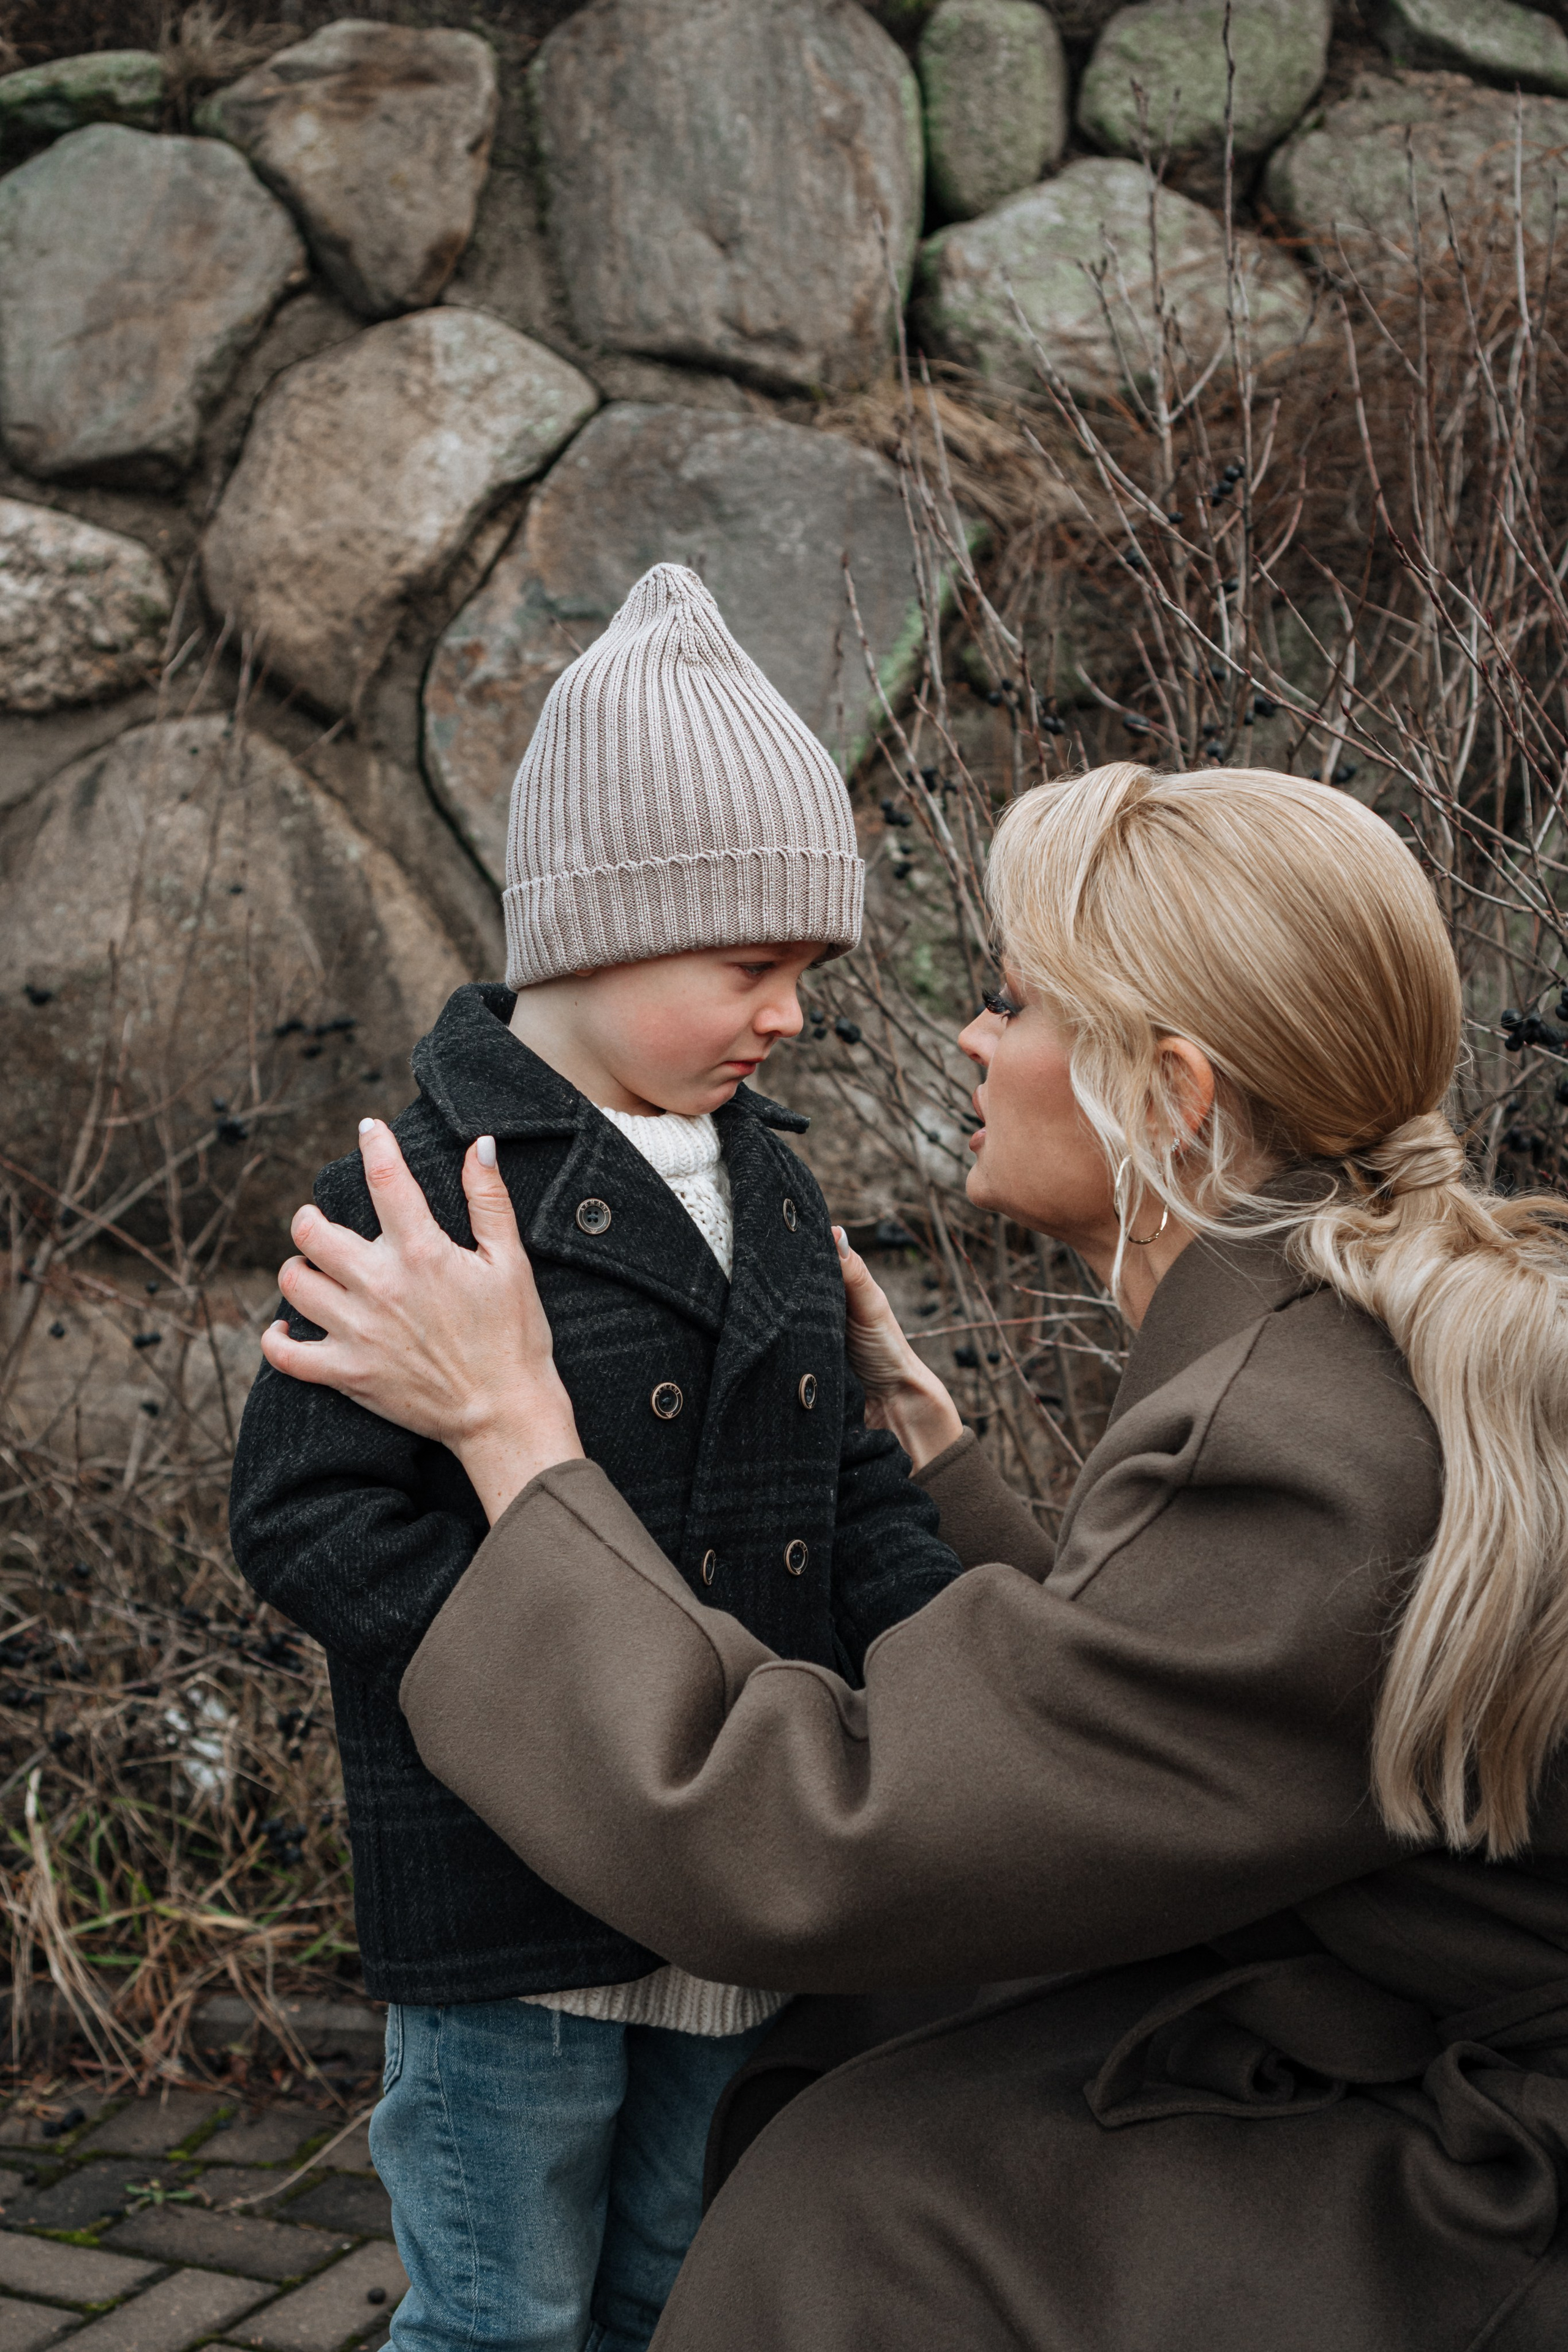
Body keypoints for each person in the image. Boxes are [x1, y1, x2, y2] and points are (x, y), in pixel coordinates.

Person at [262, 761, 1568, 2351]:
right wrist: (931, 1463)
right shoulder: (1381, 1338)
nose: (969, 1036)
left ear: (1172, 1093)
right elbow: (1165, 1708)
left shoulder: (1298, 1446)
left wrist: (512, 1434)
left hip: (1490, 2172)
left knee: (861, 2211)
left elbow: (821, 1844)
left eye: (1013, 1002)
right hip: (1396, 2023)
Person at [227, 563, 962, 2352]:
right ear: (600, 934)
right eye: (751, 967)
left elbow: (848, 1474)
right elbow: (303, 1511)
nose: (790, 1014)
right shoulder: (417, 1195)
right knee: (502, 2314)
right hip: (517, 1885)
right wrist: (523, 1676)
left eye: (805, 972)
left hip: (742, 1877)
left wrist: (956, 1672)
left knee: (674, 2294)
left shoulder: (772, 1183)